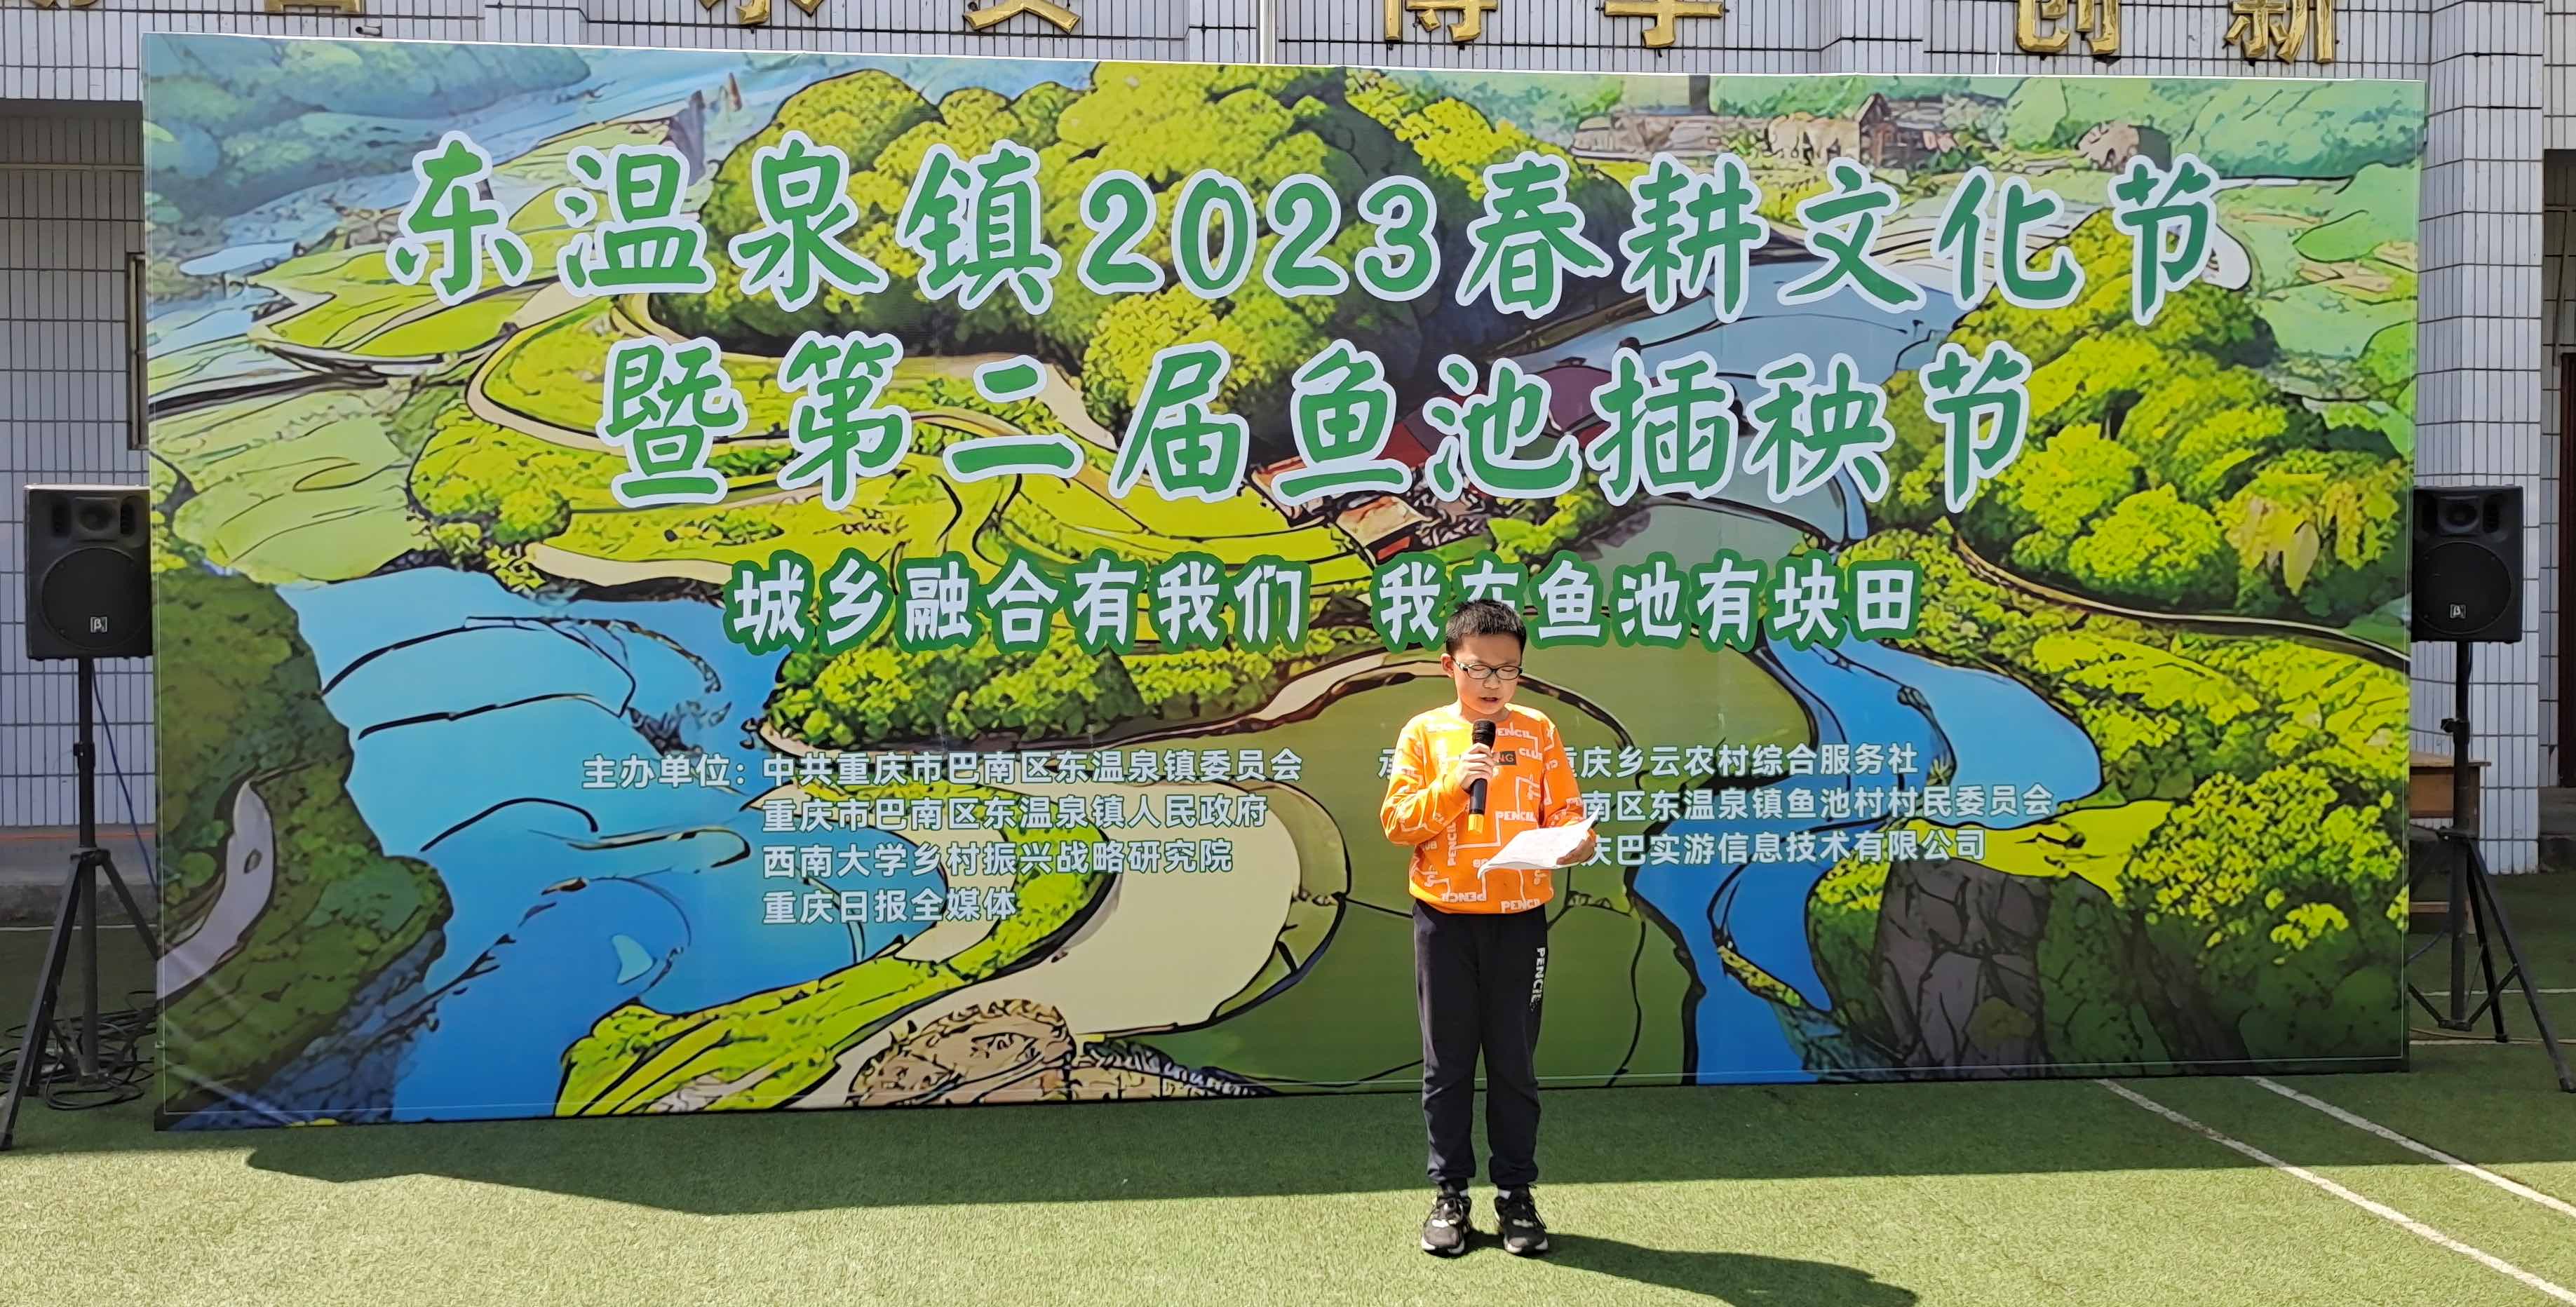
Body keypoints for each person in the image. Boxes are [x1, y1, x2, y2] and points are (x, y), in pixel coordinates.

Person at [1379, 598, 1597, 1257]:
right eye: (1479, 668)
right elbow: (1397, 824)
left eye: (1508, 669)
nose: (1494, 682)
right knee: (1446, 1065)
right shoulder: (1423, 734)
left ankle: (1516, 1195)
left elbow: (1566, 814)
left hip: (1518, 923)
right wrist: (1454, 784)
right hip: (1443, 922)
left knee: (1513, 1064)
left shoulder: (1537, 731)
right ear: (1450, 666)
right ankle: (1449, 1195)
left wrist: (1577, 843)